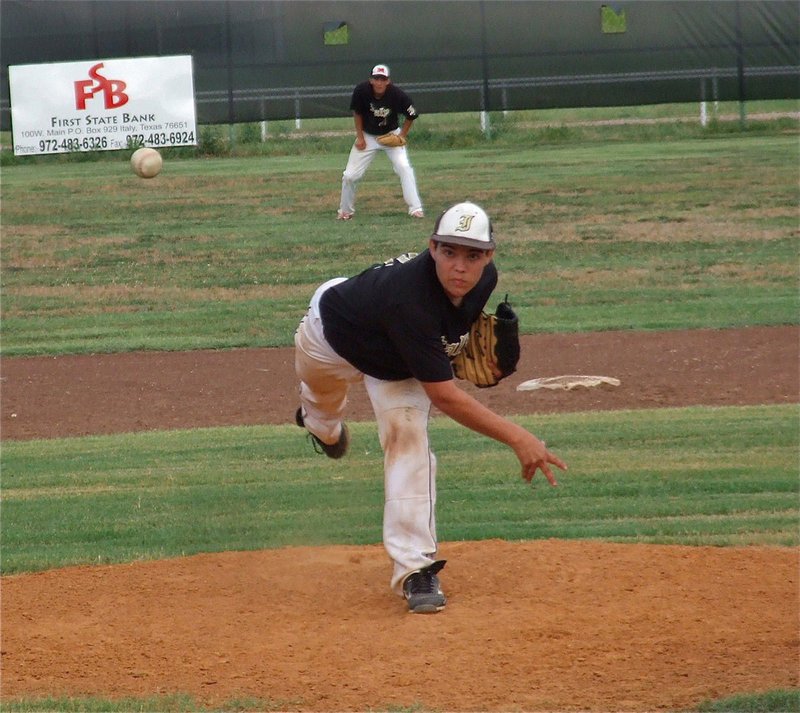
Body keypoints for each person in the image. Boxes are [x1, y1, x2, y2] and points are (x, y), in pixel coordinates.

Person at [294, 201, 568, 613]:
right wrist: (519, 436)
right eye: (449, 252)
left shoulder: (483, 281)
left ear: (489, 256)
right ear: (432, 247)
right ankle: (319, 425)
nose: (460, 266)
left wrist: (455, 347)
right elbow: (444, 394)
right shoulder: (409, 299)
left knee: (409, 440)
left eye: (472, 255)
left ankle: (415, 570)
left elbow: (451, 330)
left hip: (397, 366)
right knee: (322, 408)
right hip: (330, 337)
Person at [337, 63, 424, 221]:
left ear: (388, 81)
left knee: (404, 167)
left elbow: (412, 115)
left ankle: (415, 208)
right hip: (368, 135)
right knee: (350, 175)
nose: (379, 82)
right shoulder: (361, 91)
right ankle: (345, 211)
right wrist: (360, 138)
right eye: (376, 78)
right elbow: (357, 114)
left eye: (382, 79)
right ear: (371, 80)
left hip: (391, 135)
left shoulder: (397, 95)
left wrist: (402, 135)